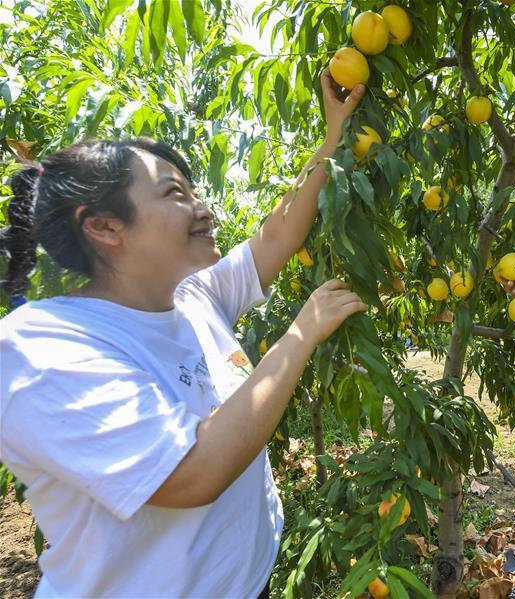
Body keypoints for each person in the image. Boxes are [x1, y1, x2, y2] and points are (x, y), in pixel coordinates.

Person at [0, 70, 367, 597]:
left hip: (246, 580)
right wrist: (300, 334)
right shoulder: (40, 346)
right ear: (104, 226)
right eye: (176, 193)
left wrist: (333, 135)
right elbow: (191, 474)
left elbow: (281, 231)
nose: (205, 209)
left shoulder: (193, 297)